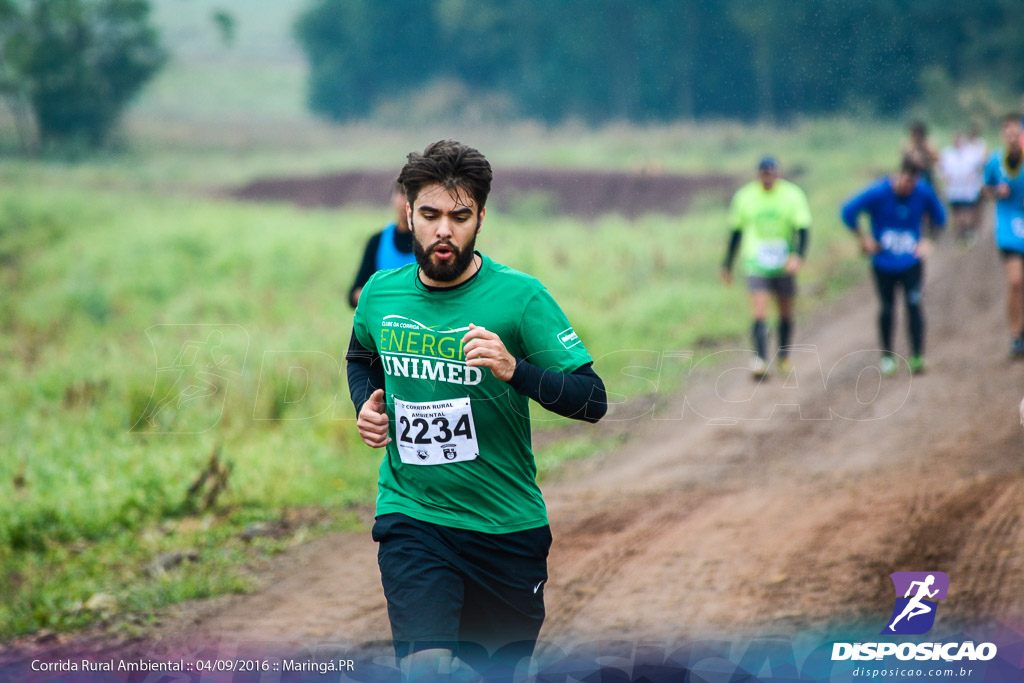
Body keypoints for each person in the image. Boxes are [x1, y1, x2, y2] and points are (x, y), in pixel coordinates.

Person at [345, 140, 607, 680]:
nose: (445, 230)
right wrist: (366, 404)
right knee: (426, 667)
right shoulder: (379, 293)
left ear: (481, 218)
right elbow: (360, 357)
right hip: (414, 516)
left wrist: (517, 370)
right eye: (431, 215)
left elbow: (592, 400)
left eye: (460, 217)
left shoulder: (521, 298)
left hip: (505, 529)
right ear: (408, 214)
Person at [841, 159, 947, 376]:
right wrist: (863, 240)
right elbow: (847, 211)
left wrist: (929, 241)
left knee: (913, 304)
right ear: (898, 175)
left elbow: (940, 218)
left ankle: (917, 356)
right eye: (906, 182)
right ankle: (888, 357)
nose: (908, 187)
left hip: (911, 262)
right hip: (883, 262)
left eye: (912, 184)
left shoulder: (923, 192)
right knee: (887, 307)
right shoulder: (878, 192)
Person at [721, 156, 811, 378]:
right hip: (756, 263)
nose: (768, 178)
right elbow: (736, 232)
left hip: (783, 263)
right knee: (759, 310)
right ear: (758, 174)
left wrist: (798, 256)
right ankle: (760, 360)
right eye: (764, 174)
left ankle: (783, 357)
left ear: (778, 173)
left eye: (772, 174)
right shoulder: (745, 197)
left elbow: (803, 229)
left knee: (785, 312)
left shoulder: (792, 195)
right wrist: (727, 264)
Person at [983, 113, 1024, 357]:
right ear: (1002, 135)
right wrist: (996, 191)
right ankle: (1016, 334)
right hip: (1008, 226)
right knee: (1015, 281)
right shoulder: (994, 162)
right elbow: (983, 189)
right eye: (1007, 133)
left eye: (1015, 132)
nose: (1011, 137)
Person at [348, 182, 416, 307]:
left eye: (412, 195)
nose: (406, 200)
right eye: (401, 193)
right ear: (392, 198)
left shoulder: (432, 243)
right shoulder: (377, 241)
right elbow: (354, 295)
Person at [938, 130, 986, 244]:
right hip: (954, 191)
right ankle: (960, 235)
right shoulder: (947, 154)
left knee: (968, 213)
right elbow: (942, 170)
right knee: (957, 213)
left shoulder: (972, 153)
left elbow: (981, 166)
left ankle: (968, 232)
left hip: (969, 191)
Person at [902, 120, 939, 187]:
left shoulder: (928, 144)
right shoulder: (909, 145)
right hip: (912, 174)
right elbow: (905, 160)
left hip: (926, 174)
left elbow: (936, 158)